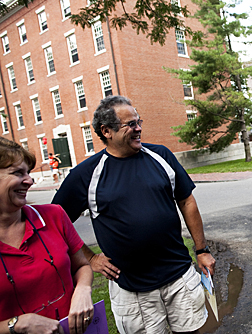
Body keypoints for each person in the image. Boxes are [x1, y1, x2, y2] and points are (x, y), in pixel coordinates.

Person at [52, 95, 216, 334]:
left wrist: (201, 250)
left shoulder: (161, 156)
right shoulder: (86, 174)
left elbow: (186, 200)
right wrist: (90, 258)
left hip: (179, 278)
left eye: (139, 122)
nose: (138, 128)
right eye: (130, 124)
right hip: (132, 291)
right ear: (106, 131)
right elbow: (56, 223)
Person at [0, 137, 94, 334]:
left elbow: (83, 265)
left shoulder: (54, 215)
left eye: (28, 172)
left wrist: (83, 290)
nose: (29, 181)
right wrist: (15, 325)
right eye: (18, 173)